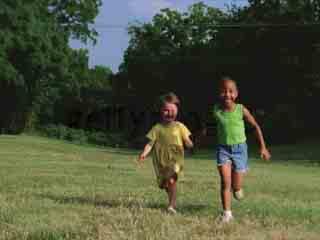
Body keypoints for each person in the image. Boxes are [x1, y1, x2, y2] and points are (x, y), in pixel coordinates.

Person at [212, 77, 271, 223]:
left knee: (236, 188)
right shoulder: (216, 110)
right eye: (224, 91)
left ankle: (237, 188)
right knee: (225, 182)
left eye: (231, 91)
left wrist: (263, 147)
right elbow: (209, 128)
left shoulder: (241, 109)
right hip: (223, 149)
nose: (227, 94)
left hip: (240, 150)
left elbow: (255, 126)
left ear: (236, 94)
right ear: (219, 93)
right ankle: (227, 214)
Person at [138, 92, 193, 214]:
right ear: (161, 111)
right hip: (161, 162)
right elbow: (150, 143)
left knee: (172, 180)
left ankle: (171, 206)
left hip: (175, 159)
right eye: (166, 110)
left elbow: (187, 139)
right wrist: (144, 153)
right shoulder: (157, 128)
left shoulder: (179, 126)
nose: (170, 113)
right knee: (166, 184)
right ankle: (171, 197)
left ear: (177, 110)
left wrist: (189, 143)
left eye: (173, 110)